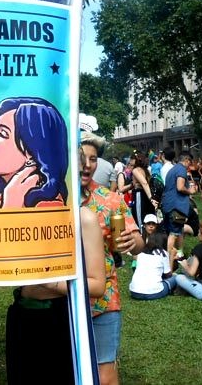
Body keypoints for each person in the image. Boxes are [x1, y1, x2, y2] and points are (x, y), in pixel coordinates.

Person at [6, 204, 106, 385]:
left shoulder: (83, 217)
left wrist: (49, 281)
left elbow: (97, 285)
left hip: (58, 320)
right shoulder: (20, 208)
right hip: (22, 315)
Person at [80, 131, 145, 385]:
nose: (87, 165)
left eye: (93, 159)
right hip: (61, 298)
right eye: (82, 157)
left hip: (103, 300)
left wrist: (133, 242)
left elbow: (138, 243)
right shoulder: (54, 198)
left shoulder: (110, 200)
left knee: (105, 374)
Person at [161, 150, 198, 268]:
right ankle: (168, 260)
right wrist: (190, 191)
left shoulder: (173, 169)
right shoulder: (181, 169)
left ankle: (177, 254)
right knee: (174, 233)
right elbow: (180, 187)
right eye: (190, 162)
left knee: (175, 231)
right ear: (186, 160)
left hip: (168, 204)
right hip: (176, 206)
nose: (190, 165)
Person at [129, 231, 177, 300]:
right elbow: (168, 275)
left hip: (134, 292)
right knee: (175, 277)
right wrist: (172, 256)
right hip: (154, 293)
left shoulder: (141, 252)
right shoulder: (163, 253)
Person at [130, 152, 158, 228]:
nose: (130, 161)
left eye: (132, 158)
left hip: (140, 194)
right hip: (146, 194)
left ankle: (142, 235)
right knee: (148, 217)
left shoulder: (136, 170)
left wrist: (151, 198)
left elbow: (144, 183)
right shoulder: (146, 170)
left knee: (140, 218)